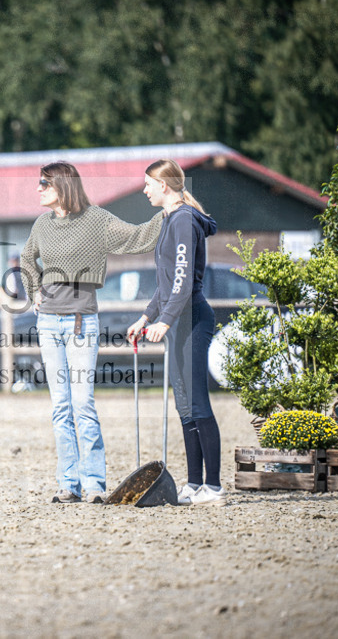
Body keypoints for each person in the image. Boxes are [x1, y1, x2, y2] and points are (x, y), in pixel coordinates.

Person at [20, 162, 164, 504]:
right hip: (48, 323)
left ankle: (95, 484)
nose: (38, 188)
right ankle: (67, 484)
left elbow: (136, 237)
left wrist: (170, 211)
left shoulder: (96, 220)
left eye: (44, 183)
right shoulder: (42, 224)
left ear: (63, 185)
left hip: (81, 321)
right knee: (60, 406)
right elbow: (27, 258)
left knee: (83, 404)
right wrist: (34, 290)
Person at [126, 159, 224, 506]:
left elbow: (182, 283)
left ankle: (213, 486)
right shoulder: (170, 220)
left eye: (148, 184)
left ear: (163, 185)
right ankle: (194, 484)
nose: (145, 189)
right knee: (184, 405)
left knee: (197, 403)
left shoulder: (183, 220)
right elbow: (165, 285)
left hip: (192, 317)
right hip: (177, 319)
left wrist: (164, 321)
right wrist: (146, 316)